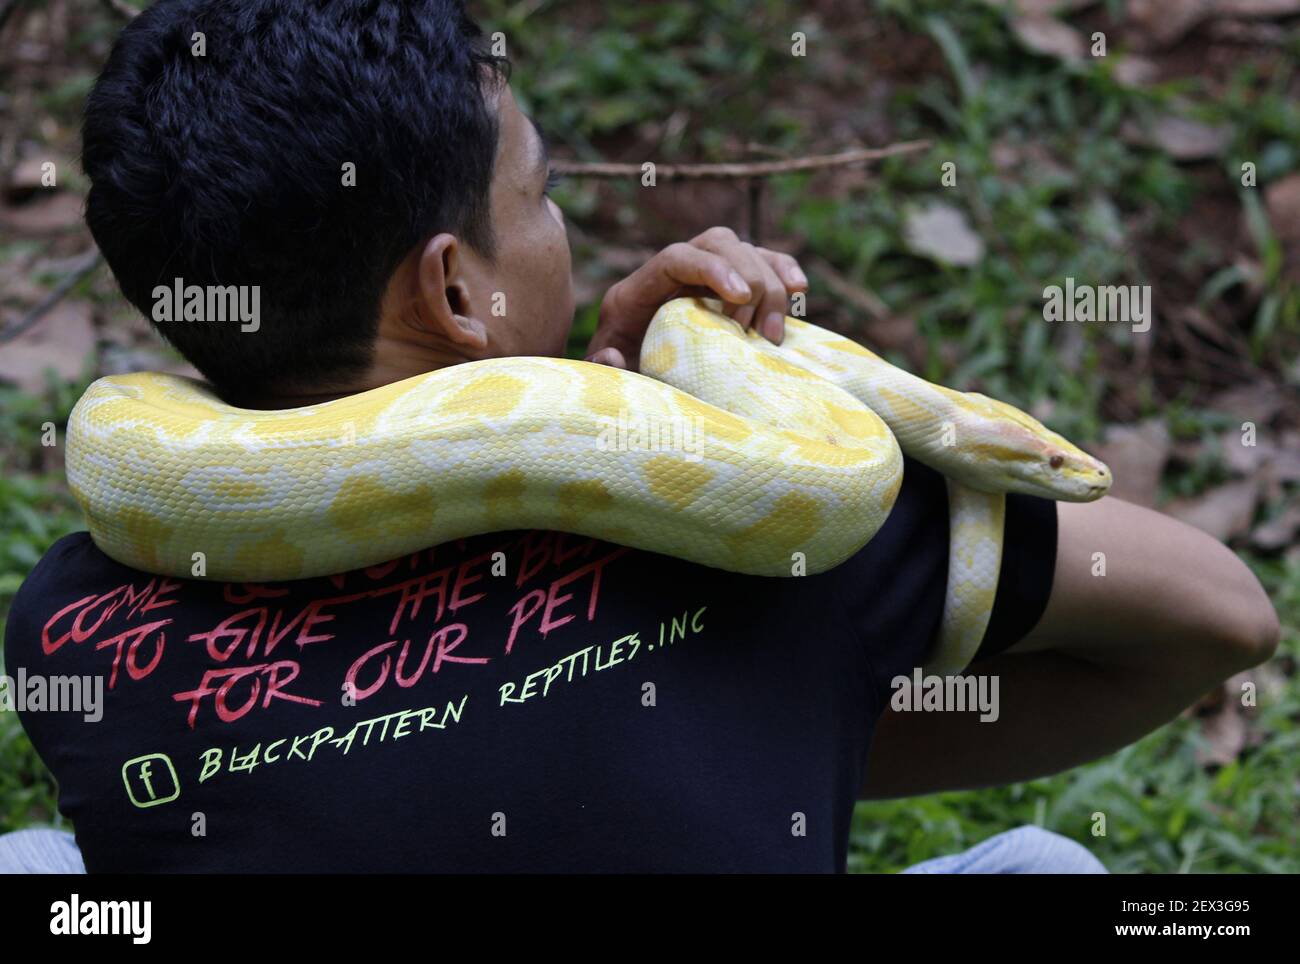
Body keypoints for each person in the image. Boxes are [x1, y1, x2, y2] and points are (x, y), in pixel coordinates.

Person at [1, 0, 1278, 873]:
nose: (561, 222)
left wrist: (604, 401)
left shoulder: (70, 627)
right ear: (453, 293)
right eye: (544, 192)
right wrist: (693, 396)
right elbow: (1220, 613)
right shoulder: (777, 520)